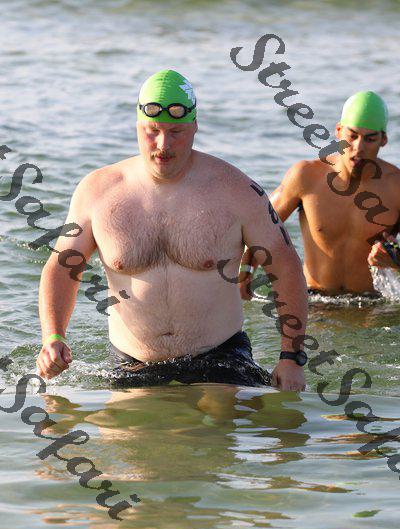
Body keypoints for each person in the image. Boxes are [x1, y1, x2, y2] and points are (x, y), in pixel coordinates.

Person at [36, 69, 308, 391]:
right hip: (131, 361)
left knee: (218, 418)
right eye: (153, 131)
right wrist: (53, 337)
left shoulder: (237, 191)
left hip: (221, 359)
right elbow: (62, 267)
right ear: (137, 126)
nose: (163, 145)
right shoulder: (97, 191)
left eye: (176, 132)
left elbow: (285, 265)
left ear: (195, 126)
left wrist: (291, 357)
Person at [240, 91, 400, 299]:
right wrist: (244, 274)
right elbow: (258, 228)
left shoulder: (396, 187)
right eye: (352, 136)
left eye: (370, 139)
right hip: (315, 301)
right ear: (339, 131)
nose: (358, 147)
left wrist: (395, 260)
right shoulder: (306, 176)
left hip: (370, 305)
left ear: (383, 140)